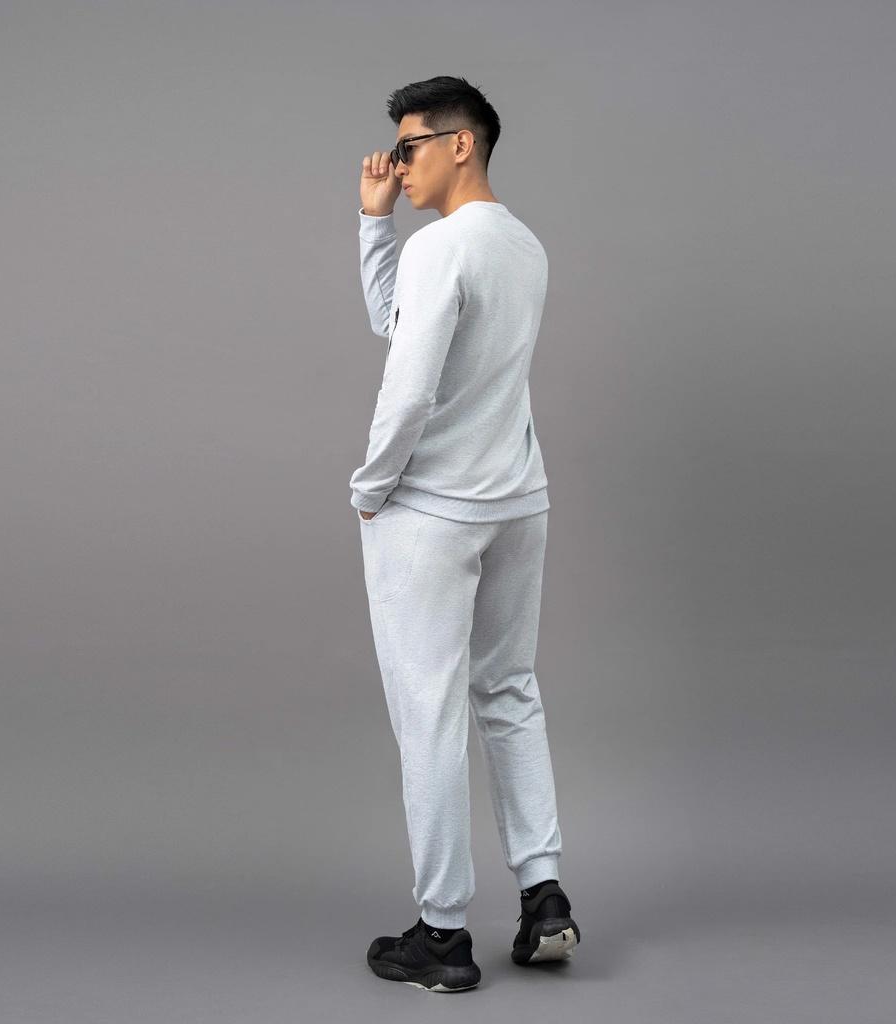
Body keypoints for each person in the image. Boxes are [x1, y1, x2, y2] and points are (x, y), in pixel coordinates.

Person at [350, 76, 580, 993]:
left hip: (434, 511)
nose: (396, 164)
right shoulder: (524, 244)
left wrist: (371, 487)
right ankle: (545, 896)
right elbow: (401, 324)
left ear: (461, 144)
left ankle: (443, 935)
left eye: (409, 147)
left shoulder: (441, 247)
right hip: (518, 498)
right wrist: (374, 224)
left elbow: (408, 383)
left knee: (430, 712)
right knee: (510, 690)